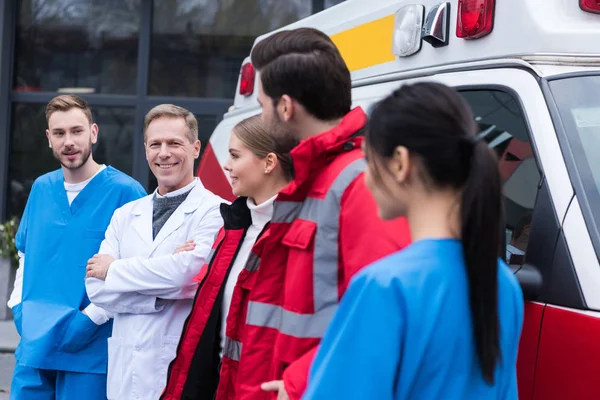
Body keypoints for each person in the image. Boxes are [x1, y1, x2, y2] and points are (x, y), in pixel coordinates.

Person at [216, 28, 412, 400]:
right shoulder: (313, 179)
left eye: (262, 105)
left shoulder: (358, 182)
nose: (262, 115)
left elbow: (386, 315)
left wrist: (302, 381)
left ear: (286, 107)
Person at [304, 82, 525, 399]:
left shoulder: (384, 285)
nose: (365, 176)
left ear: (400, 163)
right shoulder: (502, 282)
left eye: (368, 160)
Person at [7, 94, 146, 400]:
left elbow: (136, 270)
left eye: (76, 131)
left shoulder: (126, 192)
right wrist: (18, 307)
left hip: (90, 351)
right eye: (59, 133)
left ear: (93, 133)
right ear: (48, 139)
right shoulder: (42, 188)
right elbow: (25, 253)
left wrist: (90, 319)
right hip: (35, 346)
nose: (68, 141)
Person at [84, 104, 226, 399]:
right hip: (125, 371)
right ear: (146, 149)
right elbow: (97, 289)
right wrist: (164, 281)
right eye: (155, 144)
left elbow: (191, 276)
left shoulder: (215, 211)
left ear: (196, 147)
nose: (164, 153)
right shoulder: (125, 214)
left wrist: (115, 270)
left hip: (175, 366)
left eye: (174, 143)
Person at [160, 114, 294, 399]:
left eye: (235, 155)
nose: (226, 165)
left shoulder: (297, 233)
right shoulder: (234, 227)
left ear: (269, 163)